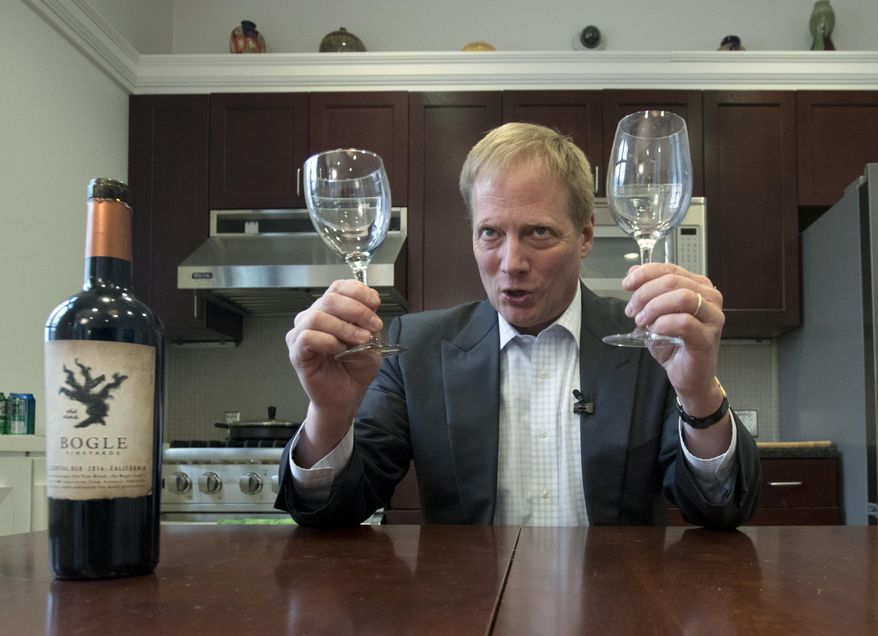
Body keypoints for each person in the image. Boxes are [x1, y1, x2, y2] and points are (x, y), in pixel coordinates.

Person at [276, 122, 761, 528]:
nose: (512, 263)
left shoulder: (654, 341)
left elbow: (719, 509)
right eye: (491, 233)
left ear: (585, 235)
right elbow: (330, 513)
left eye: (539, 232)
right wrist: (329, 413)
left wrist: (699, 394)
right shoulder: (416, 347)